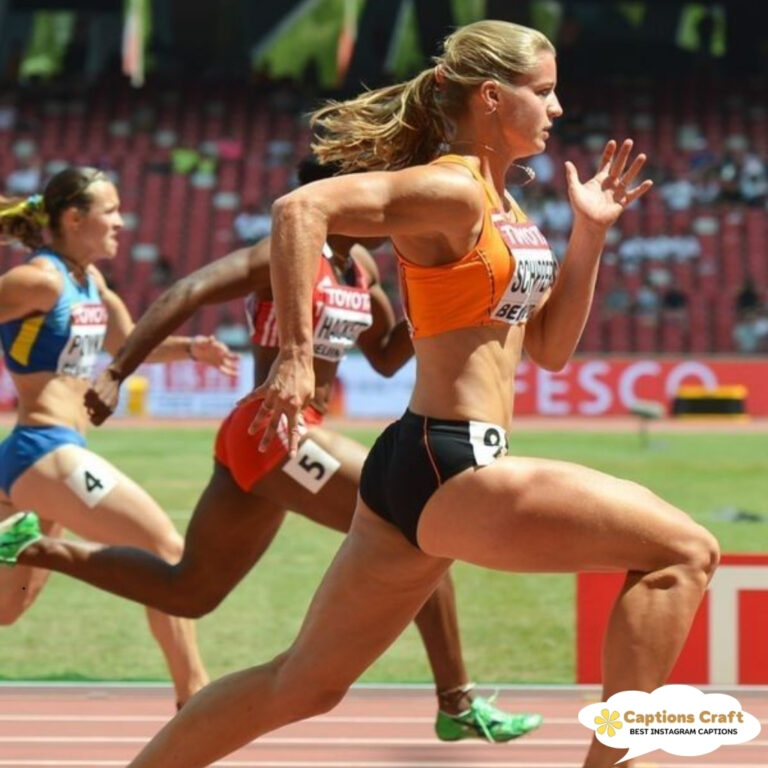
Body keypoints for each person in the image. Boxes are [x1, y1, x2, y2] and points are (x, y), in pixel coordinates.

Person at [17, 21, 722, 768]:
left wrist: (590, 234)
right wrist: (292, 356)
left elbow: (548, 351)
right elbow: (300, 211)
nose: (556, 109)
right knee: (684, 550)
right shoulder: (450, 188)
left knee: (301, 686)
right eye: (543, 92)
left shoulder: (506, 208)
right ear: (491, 96)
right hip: (453, 461)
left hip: (416, 465)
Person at [0, 157, 541, 743]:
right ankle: (457, 702)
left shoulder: (360, 267)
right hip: (275, 428)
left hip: (274, 441)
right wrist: (118, 373)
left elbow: (386, 354)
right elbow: (188, 290)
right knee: (423, 523)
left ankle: (30, 547)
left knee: (191, 590)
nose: (390, 202)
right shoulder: (285, 251)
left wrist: (451, 296)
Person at [0, 166, 240, 706]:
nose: (121, 222)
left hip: (46, 460)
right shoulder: (39, 280)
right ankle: (193, 696)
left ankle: (18, 540)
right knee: (166, 550)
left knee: (6, 612)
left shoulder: (91, 283)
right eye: (110, 211)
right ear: (74, 217)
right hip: (41, 449)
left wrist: (194, 346)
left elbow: (131, 345)